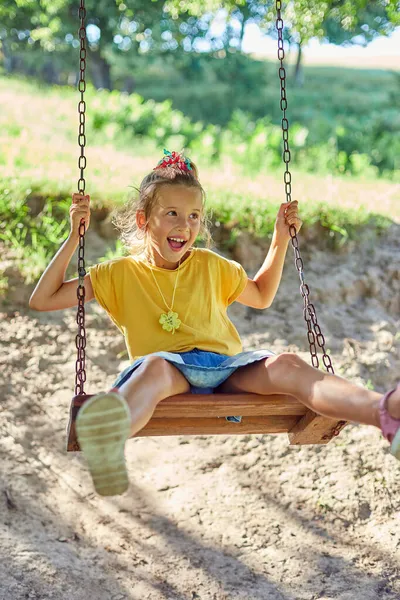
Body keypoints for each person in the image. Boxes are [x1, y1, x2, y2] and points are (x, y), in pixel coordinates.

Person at [29, 149, 400, 497]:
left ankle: (384, 411)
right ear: (143, 219)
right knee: (154, 369)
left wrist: (280, 240)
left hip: (225, 369)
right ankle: (108, 439)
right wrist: (73, 239)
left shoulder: (209, 264)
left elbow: (261, 295)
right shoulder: (116, 274)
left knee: (288, 364)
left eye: (193, 216)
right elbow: (43, 299)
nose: (184, 226)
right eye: (171, 213)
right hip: (169, 372)